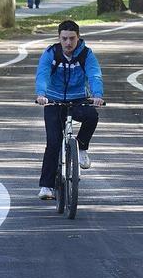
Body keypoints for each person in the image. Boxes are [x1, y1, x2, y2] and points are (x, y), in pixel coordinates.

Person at [33, 19, 104, 200]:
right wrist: (41, 94)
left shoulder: (86, 54)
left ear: (78, 38)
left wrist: (97, 95)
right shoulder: (51, 53)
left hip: (78, 99)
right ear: (59, 38)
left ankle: (81, 147)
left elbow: (94, 74)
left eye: (72, 38)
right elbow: (42, 73)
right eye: (64, 38)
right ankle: (47, 187)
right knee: (54, 143)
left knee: (92, 116)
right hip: (52, 101)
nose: (68, 43)